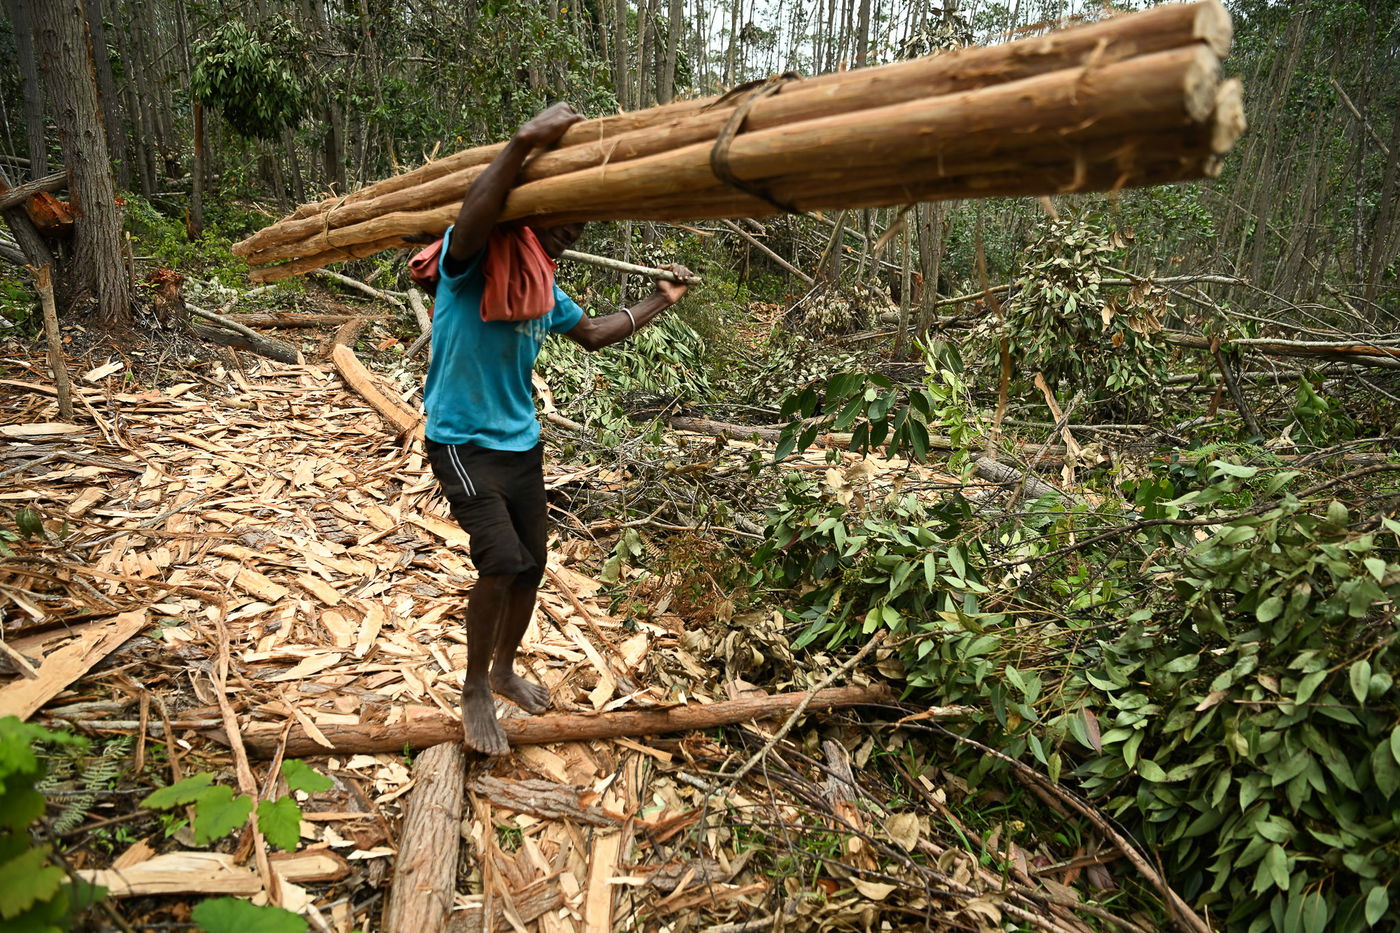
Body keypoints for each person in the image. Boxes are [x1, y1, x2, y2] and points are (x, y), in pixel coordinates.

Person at [422, 102, 693, 755]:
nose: (570, 231)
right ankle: (473, 689)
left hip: (520, 445)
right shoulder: (472, 260)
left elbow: (595, 334)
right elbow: (472, 213)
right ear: (532, 213)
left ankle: (504, 667)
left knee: (533, 565)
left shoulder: (544, 289)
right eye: (561, 217)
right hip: (461, 442)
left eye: (578, 224)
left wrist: (661, 298)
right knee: (502, 560)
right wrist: (522, 142)